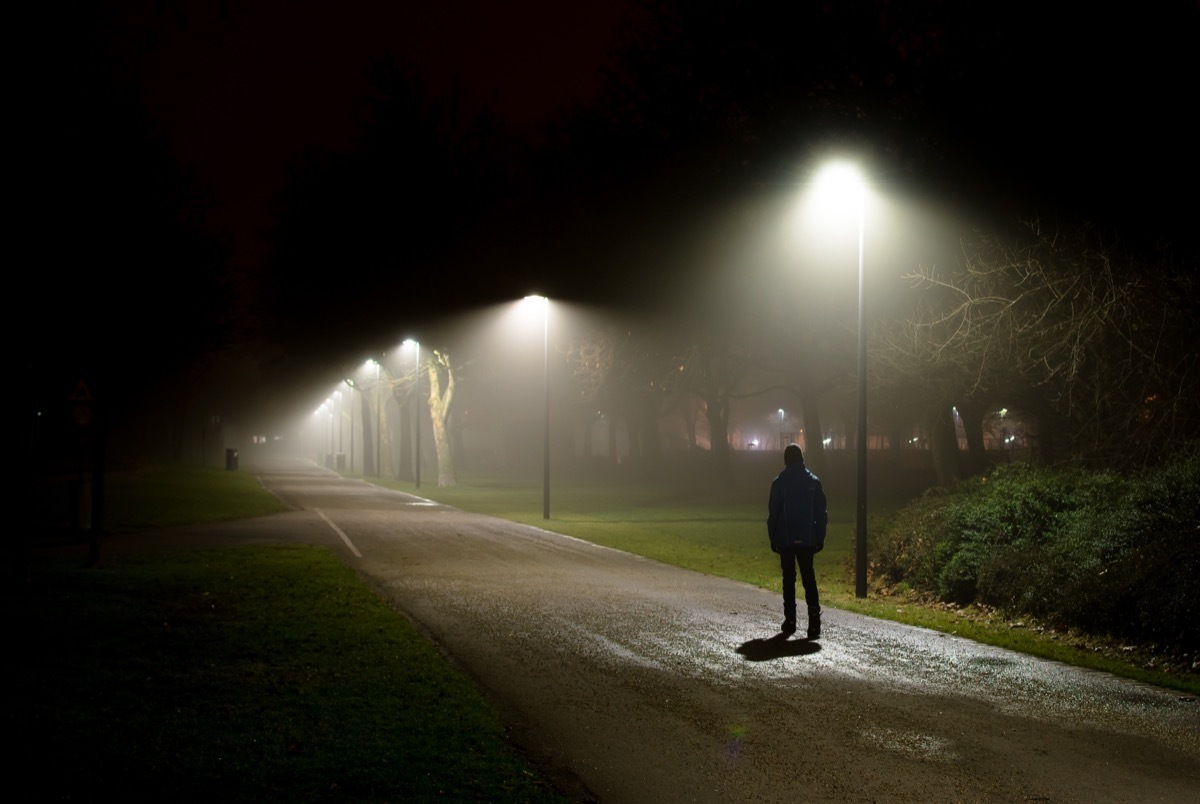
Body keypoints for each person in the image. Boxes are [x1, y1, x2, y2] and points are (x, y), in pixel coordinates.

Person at [767, 443, 828, 638]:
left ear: (786, 459)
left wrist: (773, 537)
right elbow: (821, 513)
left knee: (789, 578)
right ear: (802, 458)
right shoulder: (814, 482)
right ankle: (814, 622)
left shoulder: (779, 483)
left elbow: (773, 513)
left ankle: (791, 619)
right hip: (808, 537)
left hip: (785, 538)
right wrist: (819, 536)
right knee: (808, 577)